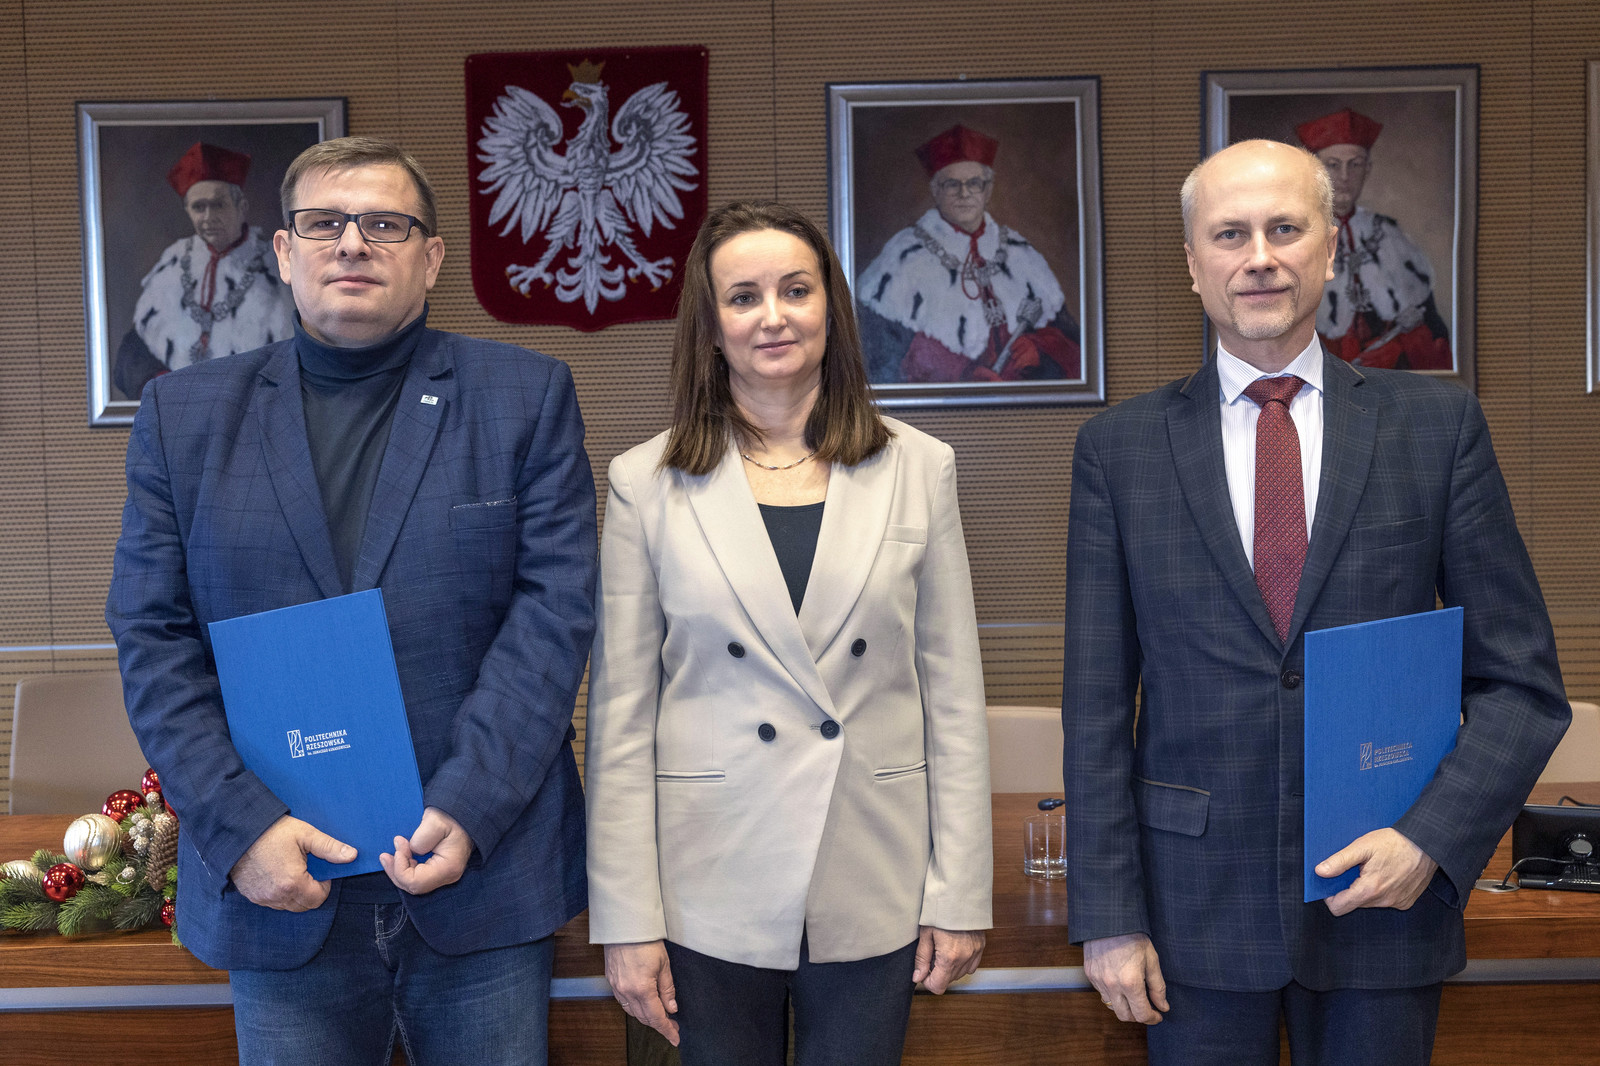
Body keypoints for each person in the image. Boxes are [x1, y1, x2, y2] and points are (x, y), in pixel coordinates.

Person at [1063, 139, 1569, 1065]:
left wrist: (1430, 841)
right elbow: (1096, 707)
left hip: (1385, 899)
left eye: (1285, 229)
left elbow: (1522, 686)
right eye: (1230, 234)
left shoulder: (1437, 427)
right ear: (1192, 263)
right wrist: (1107, 914)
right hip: (1191, 915)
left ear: (1331, 248)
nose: (1259, 257)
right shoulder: (1118, 450)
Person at [106, 137, 596, 1065]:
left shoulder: (523, 397)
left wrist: (472, 803)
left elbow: (553, 616)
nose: (353, 243)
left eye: (384, 224)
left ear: (431, 257)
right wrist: (242, 828)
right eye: (324, 223)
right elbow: (151, 635)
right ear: (284, 252)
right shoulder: (184, 417)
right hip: (281, 881)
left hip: (476, 876)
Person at [586, 200, 992, 1065]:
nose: (772, 316)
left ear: (830, 309)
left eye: (796, 290)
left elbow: (954, 700)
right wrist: (626, 919)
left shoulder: (920, 468)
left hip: (872, 867)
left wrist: (960, 892)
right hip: (708, 878)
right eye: (743, 297)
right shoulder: (644, 484)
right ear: (711, 326)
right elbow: (620, 720)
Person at [855, 124, 1081, 385]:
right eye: (952, 184)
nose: (964, 194)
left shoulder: (1020, 253)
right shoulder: (904, 255)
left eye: (974, 183)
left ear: (988, 190)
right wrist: (960, 372)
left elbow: (1072, 346)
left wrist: (1038, 349)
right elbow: (879, 355)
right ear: (935, 190)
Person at [113, 141, 296, 399]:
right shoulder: (173, 261)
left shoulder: (275, 264)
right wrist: (171, 391)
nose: (208, 217)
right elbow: (134, 356)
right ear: (188, 211)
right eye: (199, 207)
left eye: (218, 205)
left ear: (241, 207)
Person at [1295, 108, 1453, 370]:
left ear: (1367, 169)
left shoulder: (1387, 232)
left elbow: (1431, 321)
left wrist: (1412, 324)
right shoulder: (1292, 232)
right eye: (1332, 165)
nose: (1345, 177)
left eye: (1355, 164)